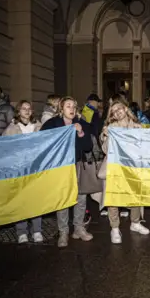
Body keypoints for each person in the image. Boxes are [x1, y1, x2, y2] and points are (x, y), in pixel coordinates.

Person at [41, 96, 94, 247]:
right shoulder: (52, 124)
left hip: (77, 165)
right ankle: (63, 231)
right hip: (60, 167)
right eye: (68, 106)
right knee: (63, 198)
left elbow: (88, 147)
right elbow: (43, 142)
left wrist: (81, 133)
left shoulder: (81, 123)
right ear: (61, 109)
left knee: (81, 197)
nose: (71, 109)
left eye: (73, 106)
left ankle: (79, 228)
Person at [100, 100, 150, 244]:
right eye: (114, 111)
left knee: (135, 195)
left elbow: (146, 146)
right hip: (116, 167)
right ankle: (115, 228)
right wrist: (106, 136)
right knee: (113, 197)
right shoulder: (111, 128)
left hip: (133, 167)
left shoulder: (138, 126)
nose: (117, 112)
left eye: (119, 109)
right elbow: (105, 150)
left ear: (126, 108)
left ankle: (135, 223)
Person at [3, 100, 44, 243]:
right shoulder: (11, 128)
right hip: (19, 169)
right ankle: (21, 231)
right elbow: (4, 148)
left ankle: (37, 230)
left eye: (29, 109)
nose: (26, 111)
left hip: (35, 169)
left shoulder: (38, 126)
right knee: (20, 200)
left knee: (35, 199)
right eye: (23, 109)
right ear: (18, 111)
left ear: (32, 111)